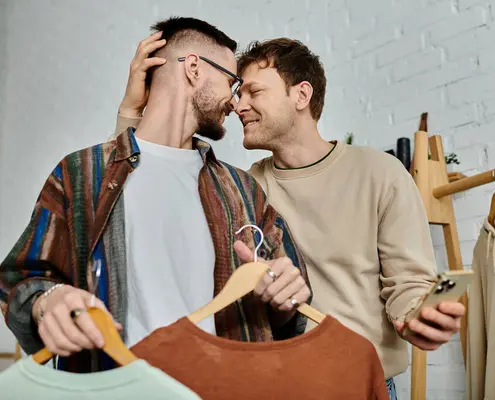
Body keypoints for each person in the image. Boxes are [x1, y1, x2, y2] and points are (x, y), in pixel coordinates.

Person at [116, 35, 465, 399]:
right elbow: (134, 197)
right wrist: (132, 110)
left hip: (361, 383)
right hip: (277, 384)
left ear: (301, 95)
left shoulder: (380, 173)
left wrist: (418, 315)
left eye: (253, 92)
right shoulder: (243, 189)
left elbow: (409, 282)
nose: (238, 105)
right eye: (238, 92)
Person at [0, 17, 311, 373]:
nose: (235, 102)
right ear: (194, 68)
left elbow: (289, 309)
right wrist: (48, 301)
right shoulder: (84, 173)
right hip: (113, 389)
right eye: (232, 82)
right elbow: (19, 278)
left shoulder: (242, 190)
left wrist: (286, 297)